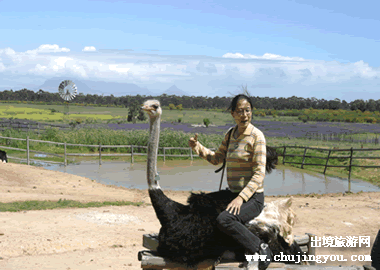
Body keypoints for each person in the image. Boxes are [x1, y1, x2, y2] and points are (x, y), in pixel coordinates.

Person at [188, 94, 271, 270]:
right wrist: (197, 147)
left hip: (253, 198)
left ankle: (261, 249)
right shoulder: (231, 134)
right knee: (200, 203)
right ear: (233, 114)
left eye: (247, 110)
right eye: (240, 111)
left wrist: (241, 198)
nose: (244, 115)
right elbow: (217, 158)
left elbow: (259, 174)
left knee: (225, 219)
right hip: (232, 193)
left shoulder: (257, 137)